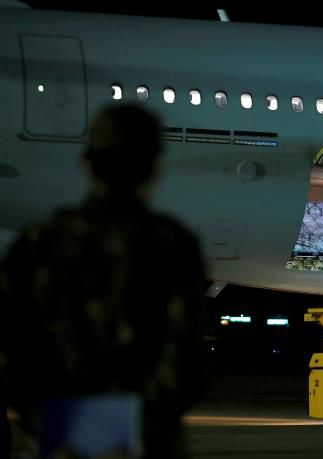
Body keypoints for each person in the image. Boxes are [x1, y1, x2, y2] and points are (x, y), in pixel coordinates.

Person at [0, 103, 207, 458]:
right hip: (147, 439)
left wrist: (52, 422)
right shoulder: (172, 243)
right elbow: (186, 359)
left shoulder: (38, 241)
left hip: (61, 436)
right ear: (156, 168)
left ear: (86, 162)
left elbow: (14, 350)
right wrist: (137, 422)